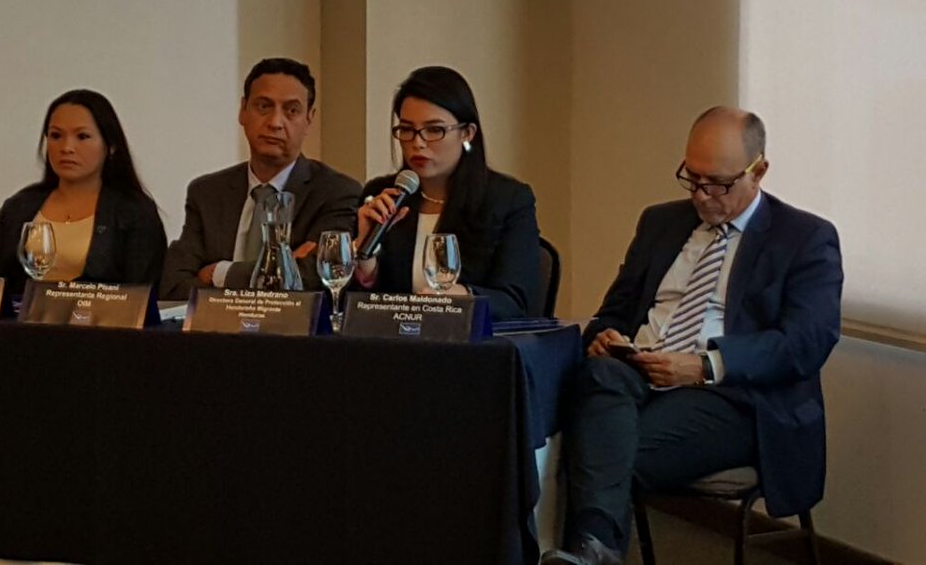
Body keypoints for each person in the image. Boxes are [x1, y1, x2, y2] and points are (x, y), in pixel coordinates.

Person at [541, 108, 843, 565]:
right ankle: (593, 552)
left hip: (734, 397)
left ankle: (591, 546)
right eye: (692, 178)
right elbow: (613, 312)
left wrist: (705, 365)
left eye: (718, 184)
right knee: (600, 378)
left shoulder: (804, 238)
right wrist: (606, 336)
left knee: (594, 446)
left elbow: (805, 343)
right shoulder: (660, 223)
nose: (702, 195)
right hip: (635, 375)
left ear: (759, 170)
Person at [159, 58, 361, 300]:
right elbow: (173, 287)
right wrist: (286, 266)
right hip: (217, 325)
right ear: (243, 110)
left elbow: (318, 279)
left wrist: (219, 273)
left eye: (292, 111)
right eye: (264, 106)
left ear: (309, 119)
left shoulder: (337, 193)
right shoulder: (207, 193)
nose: (275, 123)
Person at [353, 66, 541, 320]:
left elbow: (517, 301)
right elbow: (353, 308)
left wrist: (463, 298)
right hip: (395, 339)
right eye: (406, 129)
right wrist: (364, 255)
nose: (418, 143)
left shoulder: (507, 200)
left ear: (467, 134)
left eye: (434, 130)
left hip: (471, 341)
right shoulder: (383, 196)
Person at [0, 89, 166, 298]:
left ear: (111, 146)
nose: (67, 147)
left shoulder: (134, 211)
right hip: (22, 318)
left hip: (99, 318)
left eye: (82, 136)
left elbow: (141, 298)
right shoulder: (18, 206)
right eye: (56, 136)